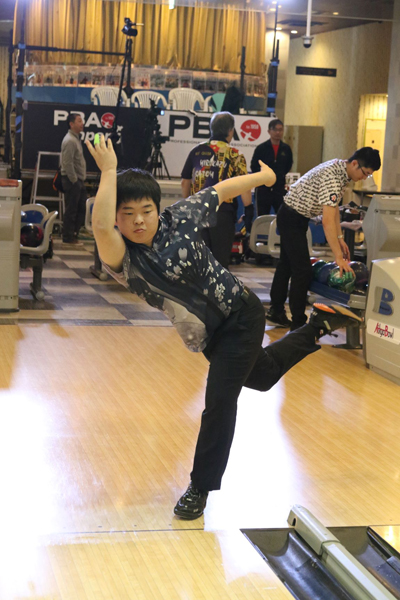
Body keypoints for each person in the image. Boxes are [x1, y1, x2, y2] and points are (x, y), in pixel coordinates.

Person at [85, 133, 361, 520]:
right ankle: (318, 325)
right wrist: (108, 172)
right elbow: (100, 228)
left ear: (157, 207)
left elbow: (221, 190)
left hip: (241, 314)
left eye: (146, 210)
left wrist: (264, 178)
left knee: (219, 401)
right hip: (208, 336)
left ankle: (200, 487)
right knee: (262, 376)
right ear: (117, 219)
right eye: (127, 214)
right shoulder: (124, 259)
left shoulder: (179, 217)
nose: (139, 220)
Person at [267, 147, 381, 331]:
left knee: (287, 264)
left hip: (294, 216)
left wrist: (339, 238)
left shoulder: (341, 171)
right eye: (365, 173)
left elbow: (333, 209)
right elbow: (327, 221)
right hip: (291, 217)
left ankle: (276, 311)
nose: (364, 178)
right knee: (302, 270)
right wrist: (338, 257)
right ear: (355, 163)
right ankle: (298, 323)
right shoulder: (334, 177)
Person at [180, 111, 253, 269]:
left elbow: (185, 182)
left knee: (199, 260)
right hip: (222, 213)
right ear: (230, 131)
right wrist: (248, 210)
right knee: (220, 262)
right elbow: (245, 187)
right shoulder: (235, 155)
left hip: (198, 211)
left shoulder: (197, 151)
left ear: (211, 129)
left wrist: (187, 205)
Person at [250, 118, 293, 216]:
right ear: (269, 131)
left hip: (279, 189)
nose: (278, 132)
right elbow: (254, 166)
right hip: (263, 189)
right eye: (275, 130)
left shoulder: (286, 149)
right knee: (262, 216)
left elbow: (288, 165)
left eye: (280, 130)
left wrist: (279, 175)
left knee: (282, 216)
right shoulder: (261, 148)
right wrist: (264, 178)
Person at [60, 113, 87, 245]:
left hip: (78, 180)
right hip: (72, 181)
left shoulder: (76, 139)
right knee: (72, 209)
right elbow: (67, 163)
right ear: (71, 124)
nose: (82, 123)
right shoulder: (70, 140)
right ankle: (68, 236)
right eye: (79, 121)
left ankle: (74, 234)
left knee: (81, 208)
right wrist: (74, 180)